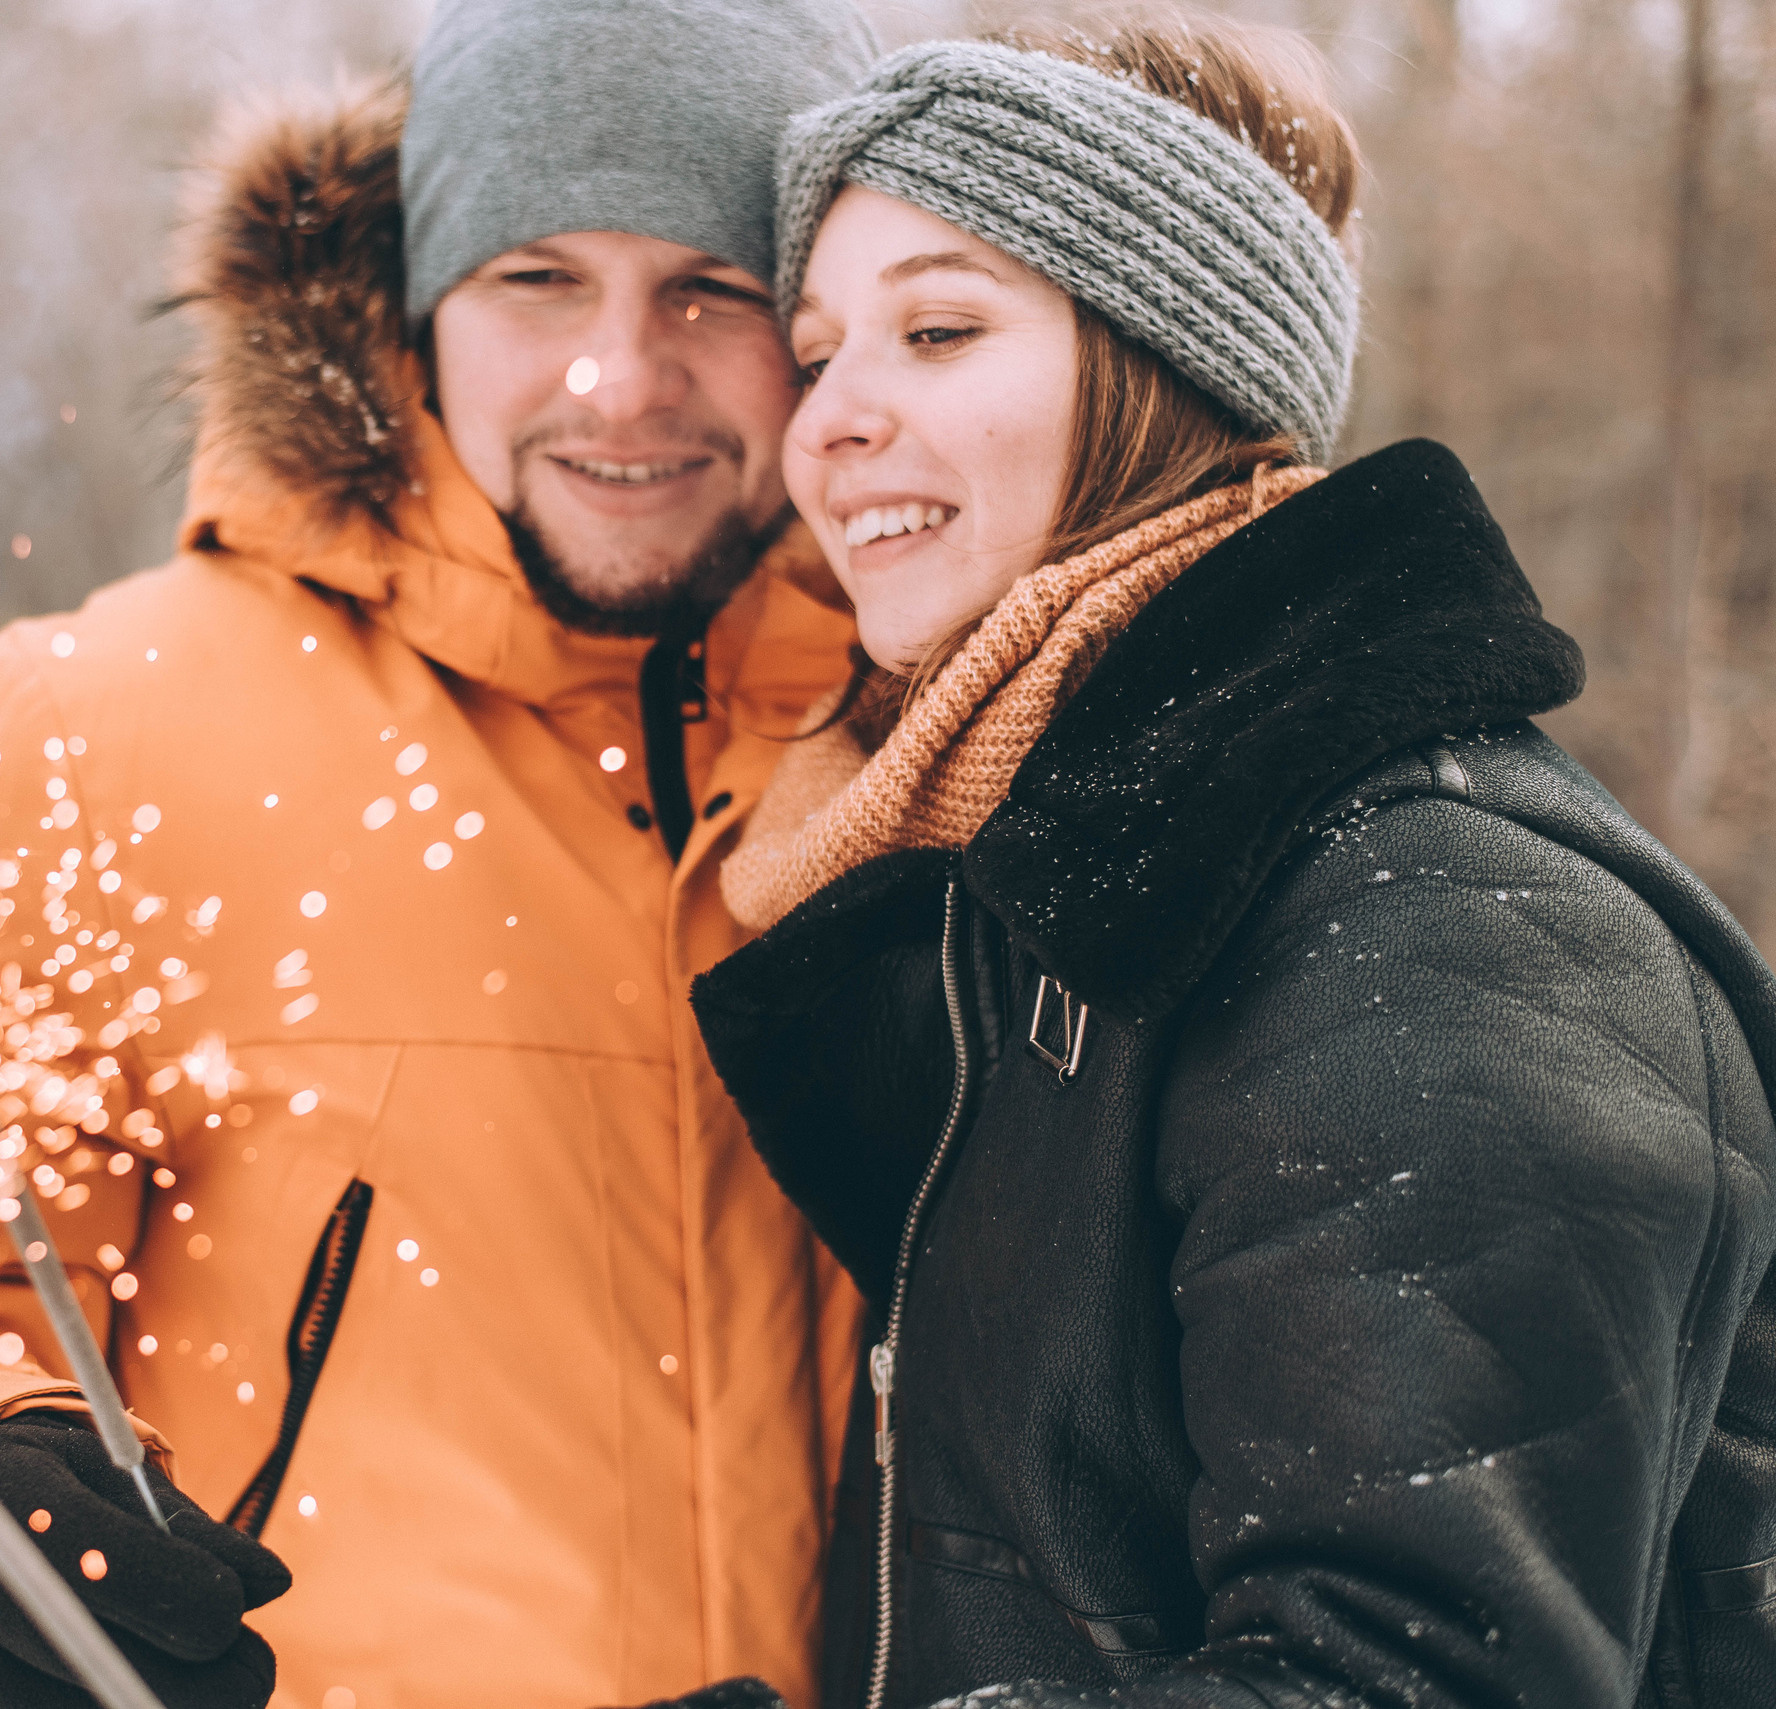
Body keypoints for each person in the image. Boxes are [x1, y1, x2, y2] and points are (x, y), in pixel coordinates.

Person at [0, 5, 885, 1709]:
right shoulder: (91, 739)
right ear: (415, 304)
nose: (621, 373)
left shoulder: (956, 740)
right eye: (536, 279)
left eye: (710, 289)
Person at [681, 15, 1776, 1709]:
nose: (824, 424)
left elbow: (1398, 1676)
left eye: (940, 327)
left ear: (1170, 366)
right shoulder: (1047, 885)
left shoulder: (1440, 932)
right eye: (818, 355)